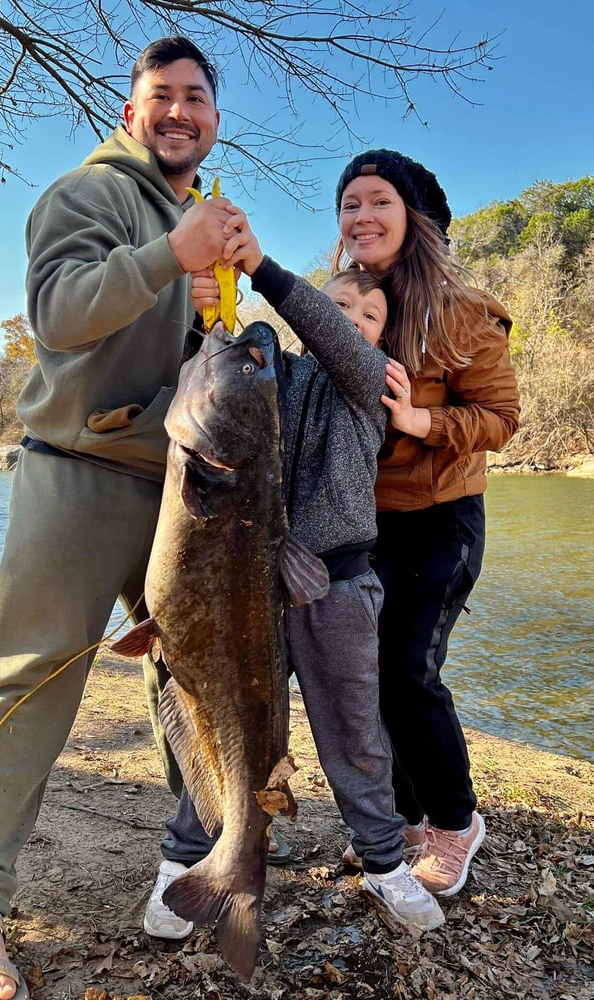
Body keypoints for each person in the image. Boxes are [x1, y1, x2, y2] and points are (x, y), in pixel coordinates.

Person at [0, 35, 239, 1000]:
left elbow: (196, 359)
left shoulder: (192, 212)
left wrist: (200, 303)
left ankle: (197, 869)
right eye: (162, 96)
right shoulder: (87, 194)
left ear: (215, 119)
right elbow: (59, 315)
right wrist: (166, 256)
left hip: (182, 488)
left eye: (196, 97)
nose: (179, 110)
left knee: (199, 679)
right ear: (129, 111)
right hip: (78, 471)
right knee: (26, 685)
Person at [140, 238, 446, 939]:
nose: (348, 317)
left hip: (336, 586)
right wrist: (207, 312)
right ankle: (189, 859)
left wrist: (266, 273)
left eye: (366, 314)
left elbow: (333, 341)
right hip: (245, 590)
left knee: (356, 738)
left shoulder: (371, 383)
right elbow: (206, 378)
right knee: (220, 725)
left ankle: (381, 862)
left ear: (377, 337)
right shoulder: (268, 380)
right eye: (338, 302)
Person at [331, 149, 520, 896]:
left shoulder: (466, 312)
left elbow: (501, 419)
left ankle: (454, 822)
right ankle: (403, 823)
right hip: (357, 524)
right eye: (349, 204)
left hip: (441, 519)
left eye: (377, 201)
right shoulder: (343, 302)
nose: (361, 217)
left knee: (409, 671)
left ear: (413, 217)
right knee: (367, 680)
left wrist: (421, 417)